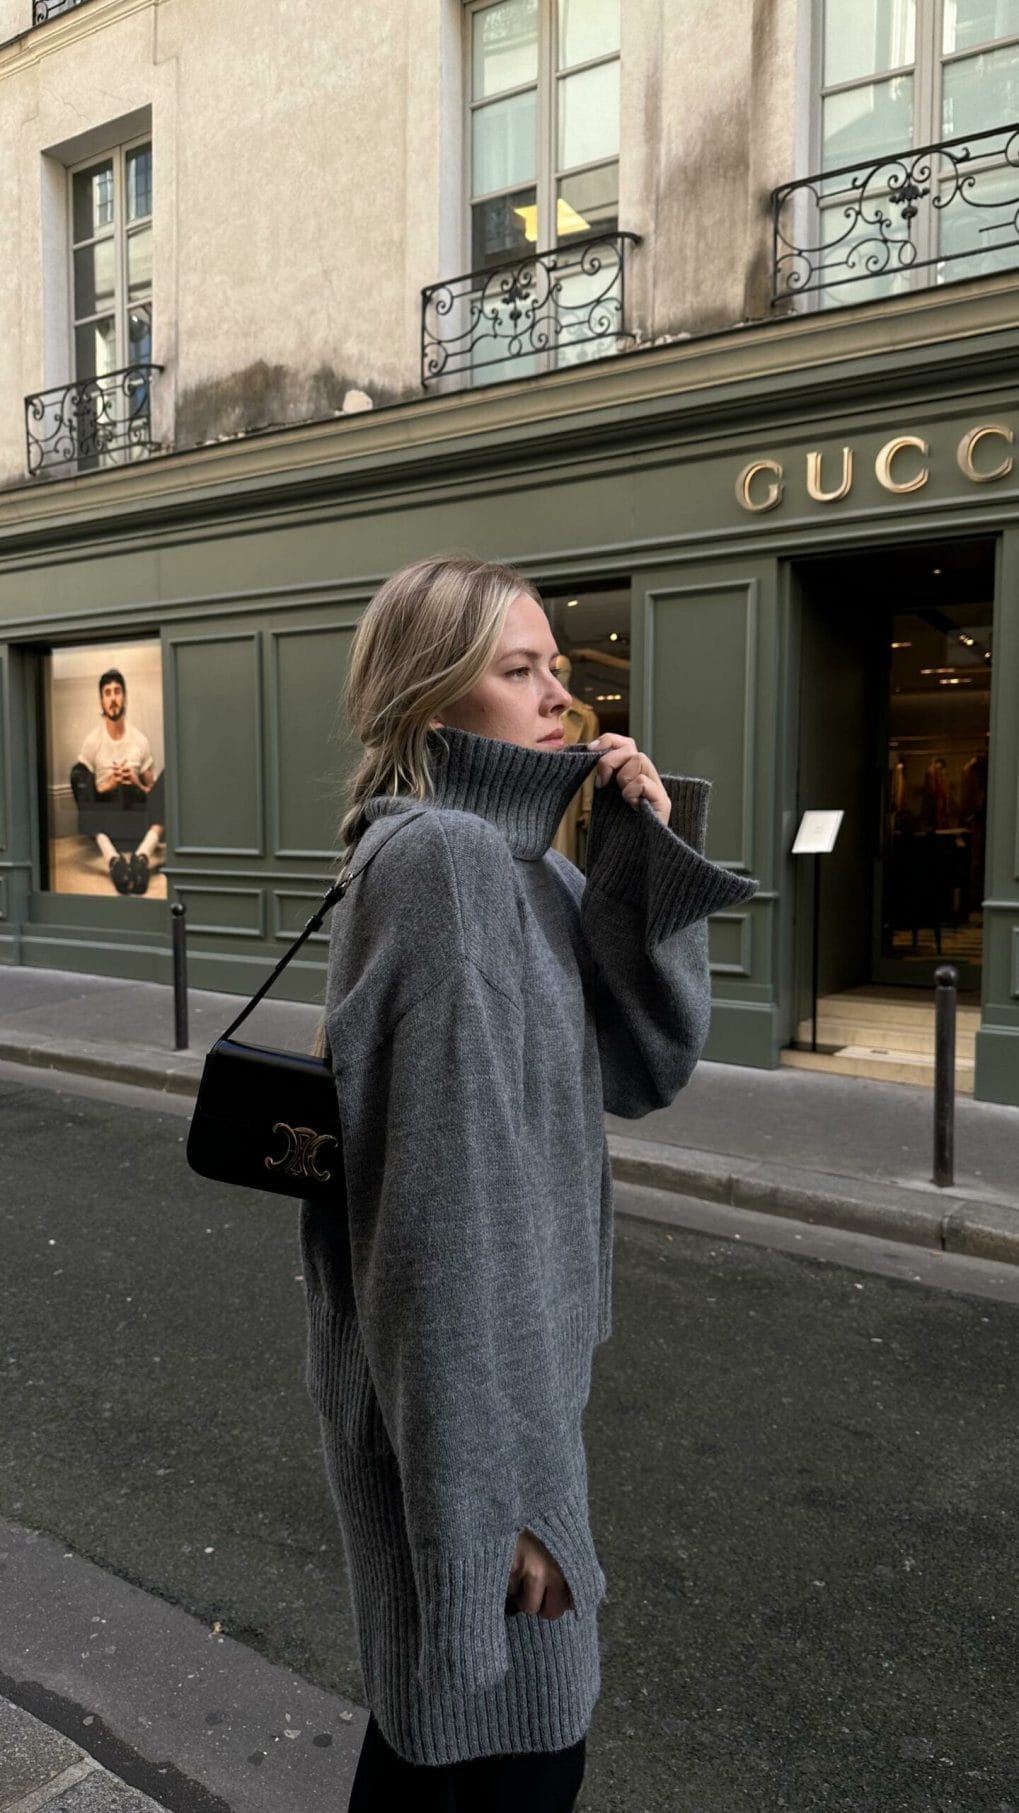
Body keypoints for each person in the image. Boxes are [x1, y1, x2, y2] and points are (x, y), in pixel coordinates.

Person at [299, 555, 758, 1810]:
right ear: (432, 698)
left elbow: (646, 1063)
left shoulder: (528, 871)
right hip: (481, 1440)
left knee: (461, 1744)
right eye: (519, 669)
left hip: (515, 1410)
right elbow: (435, 1233)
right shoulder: (441, 868)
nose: (562, 692)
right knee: (483, 1748)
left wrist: (636, 852)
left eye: (558, 665)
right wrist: (499, 1501)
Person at [70, 668, 165, 894]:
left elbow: (152, 792)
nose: (113, 698)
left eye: (117, 692)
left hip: (136, 819)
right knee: (78, 773)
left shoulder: (139, 740)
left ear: (125, 698)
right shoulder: (93, 741)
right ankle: (114, 860)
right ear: (101, 702)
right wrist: (105, 786)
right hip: (106, 821)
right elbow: (82, 786)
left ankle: (142, 857)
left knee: (170, 776)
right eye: (107, 693)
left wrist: (135, 782)